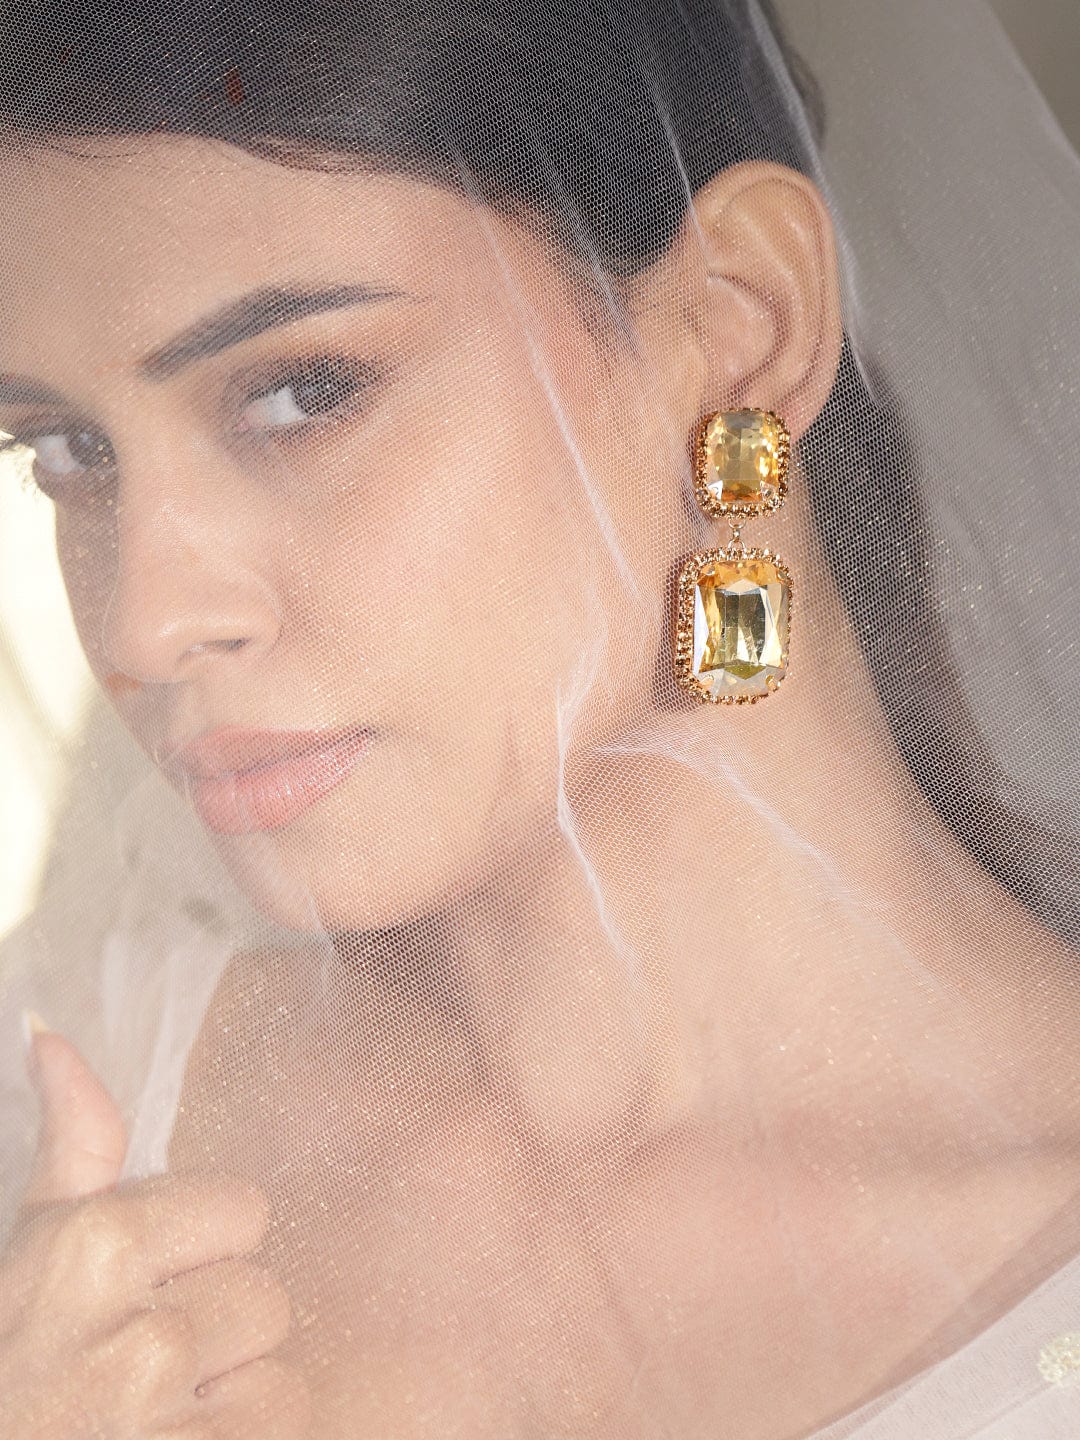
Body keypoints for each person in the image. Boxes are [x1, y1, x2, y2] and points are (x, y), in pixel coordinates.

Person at [1, 0, 1078, 1436]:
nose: (144, 625)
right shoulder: (60, 1113)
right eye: (67, 451)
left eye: (303, 393)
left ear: (741, 329)